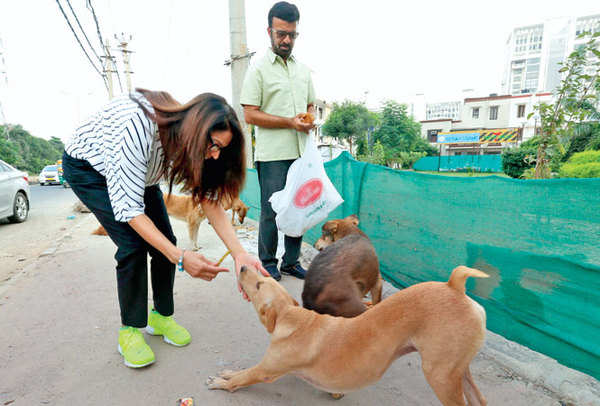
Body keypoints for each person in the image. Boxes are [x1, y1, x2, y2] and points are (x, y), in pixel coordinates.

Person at [62, 89, 268, 368]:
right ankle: (130, 330)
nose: (215, 156)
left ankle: (160, 317)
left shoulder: (189, 141)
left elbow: (209, 198)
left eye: (221, 149)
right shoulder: (136, 128)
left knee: (165, 240)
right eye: (214, 146)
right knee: (132, 245)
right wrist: (181, 257)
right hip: (90, 169)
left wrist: (239, 254)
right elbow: (131, 211)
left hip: (141, 174)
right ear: (197, 130)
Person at [240, 1, 315, 281]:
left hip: (301, 152)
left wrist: (308, 118)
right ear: (269, 31)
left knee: (299, 206)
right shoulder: (258, 70)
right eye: (281, 33)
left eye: (291, 34)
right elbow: (249, 114)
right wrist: (288, 122)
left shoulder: (303, 70)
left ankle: (291, 261)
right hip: (272, 154)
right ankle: (268, 262)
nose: (286, 40)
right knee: (272, 210)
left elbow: (310, 105)